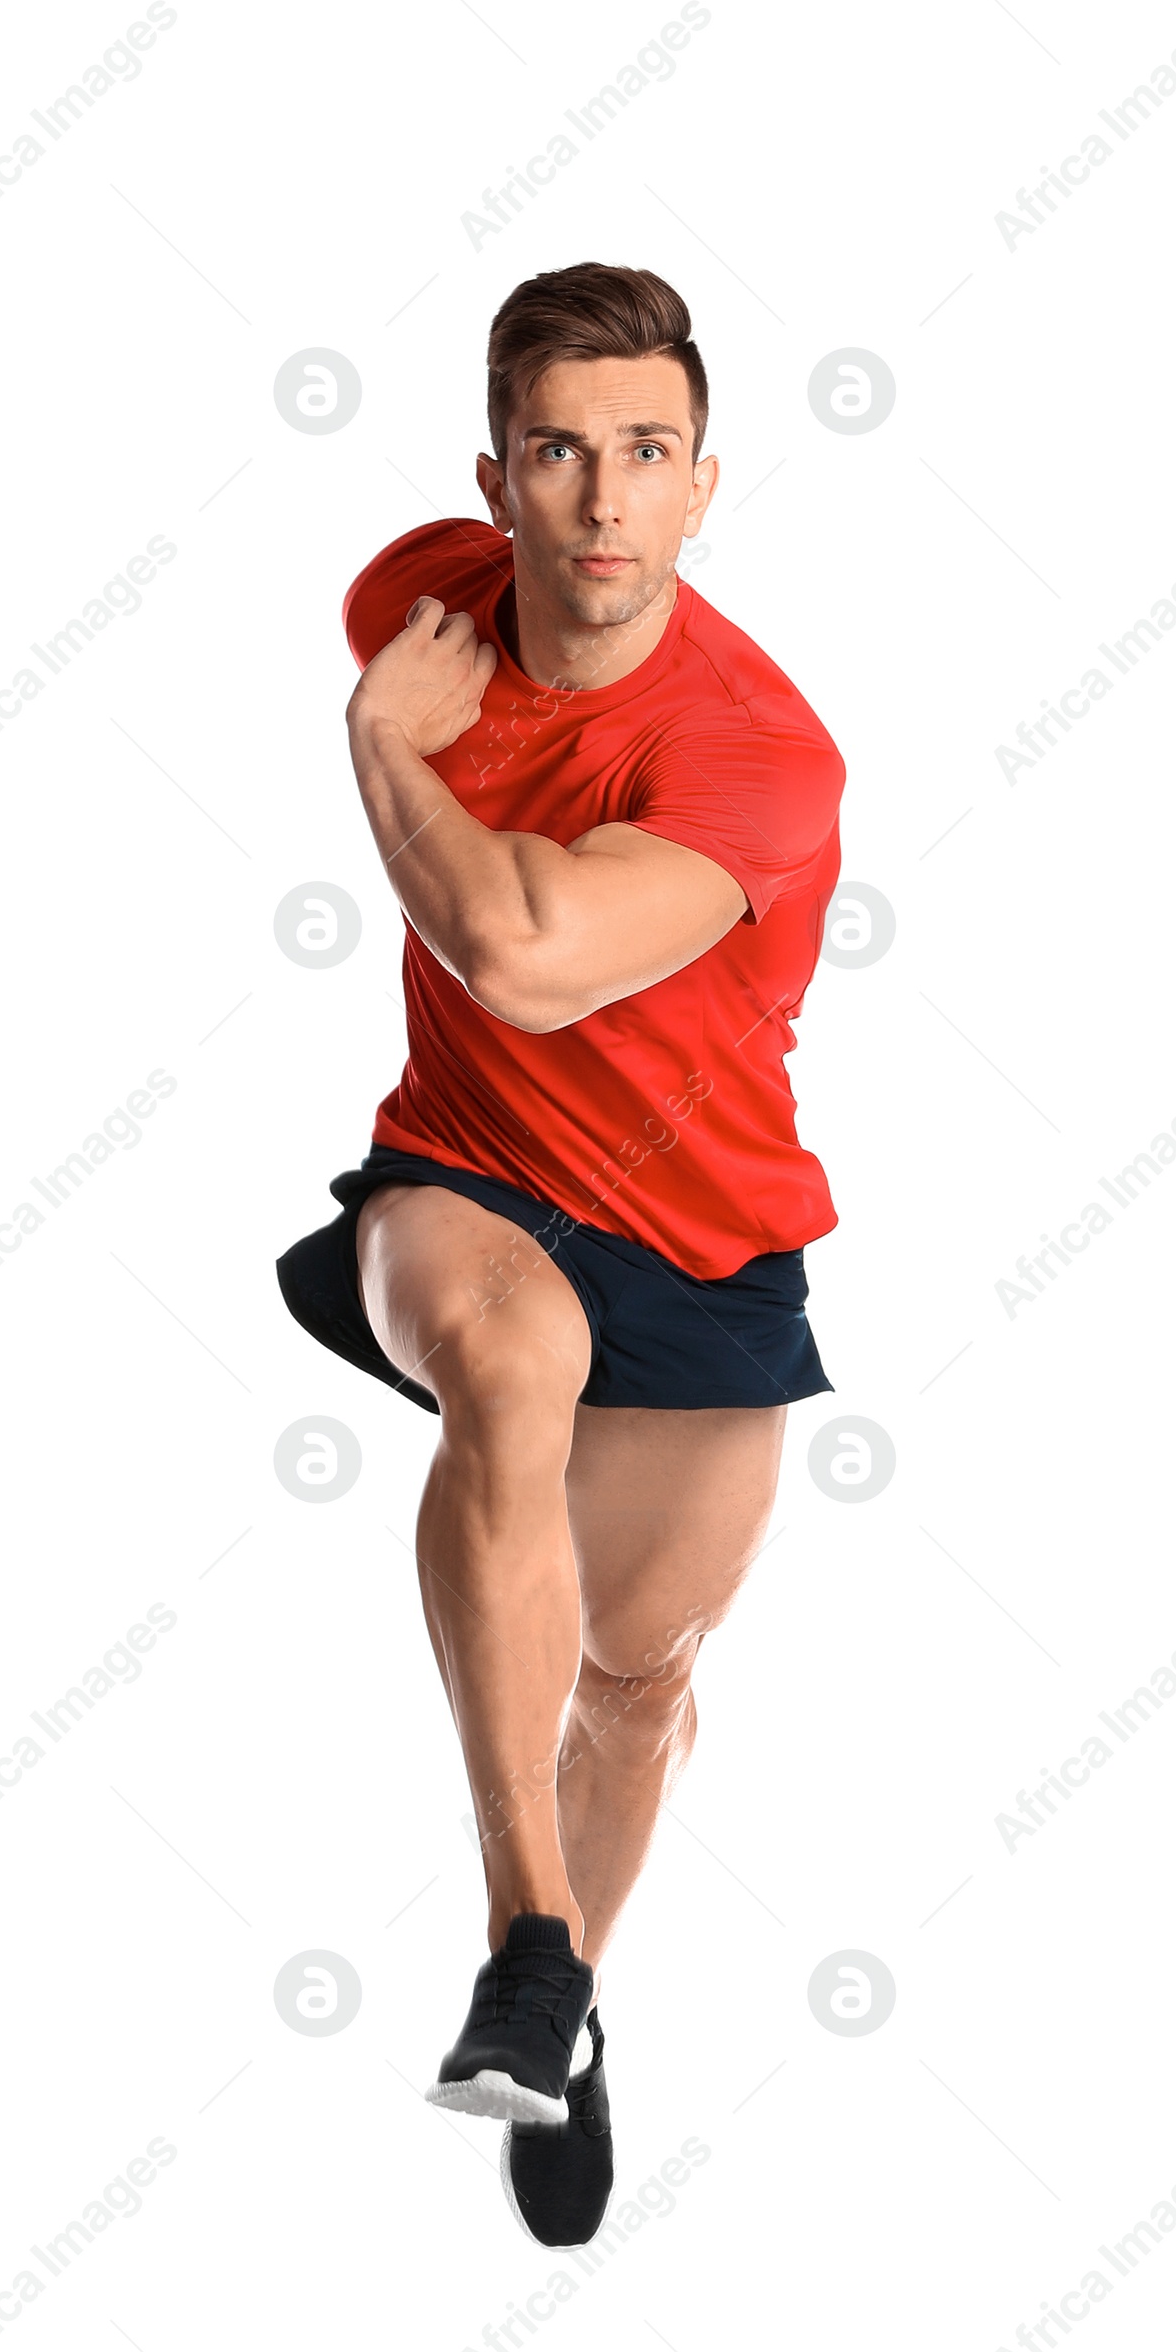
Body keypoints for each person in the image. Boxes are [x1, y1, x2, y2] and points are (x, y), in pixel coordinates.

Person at [276, 261, 845, 2248]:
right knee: (502, 1370)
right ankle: (525, 1931)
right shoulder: (420, 592)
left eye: (646, 454)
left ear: (704, 484)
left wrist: (379, 748)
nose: (600, 501)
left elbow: (514, 955)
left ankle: (565, 2009)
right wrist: (405, 714)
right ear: (493, 476)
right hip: (460, 1184)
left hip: (701, 1239)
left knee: (638, 1684)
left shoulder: (760, 760)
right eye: (557, 452)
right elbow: (485, 1005)